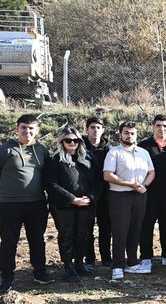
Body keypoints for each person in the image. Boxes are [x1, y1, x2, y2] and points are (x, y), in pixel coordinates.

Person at [0, 114, 53, 292]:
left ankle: (40, 273)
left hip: (36, 203)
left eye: (31, 128)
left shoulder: (42, 150)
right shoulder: (5, 149)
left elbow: (49, 176)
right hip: (8, 204)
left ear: (37, 130)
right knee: (9, 241)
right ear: (17, 129)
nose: (27, 131)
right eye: (24, 127)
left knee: (37, 240)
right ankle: (6, 277)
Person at [45, 126, 103, 281]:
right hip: (64, 205)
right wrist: (72, 199)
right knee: (67, 235)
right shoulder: (55, 159)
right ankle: (68, 266)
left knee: (82, 234)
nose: (72, 143)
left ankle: (79, 263)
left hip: (86, 204)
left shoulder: (88, 158)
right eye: (68, 140)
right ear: (62, 141)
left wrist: (91, 197)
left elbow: (98, 182)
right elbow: (51, 184)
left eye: (76, 140)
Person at [103, 121, 155, 280]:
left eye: (132, 133)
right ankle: (118, 265)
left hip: (140, 194)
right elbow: (108, 175)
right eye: (126, 132)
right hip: (120, 196)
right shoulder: (114, 152)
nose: (129, 135)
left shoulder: (143, 152)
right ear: (120, 134)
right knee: (120, 230)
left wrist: (144, 185)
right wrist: (130, 184)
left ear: (136, 134)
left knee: (135, 228)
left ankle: (132, 262)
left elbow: (151, 172)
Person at [138, 115, 166, 269]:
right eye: (158, 125)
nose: (161, 129)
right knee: (147, 225)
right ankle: (146, 257)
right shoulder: (143, 146)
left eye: (165, 126)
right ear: (153, 127)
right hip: (149, 193)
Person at [84, 116, 111, 269]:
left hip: (105, 193)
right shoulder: (79, 147)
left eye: (98, 128)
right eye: (92, 127)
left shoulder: (109, 149)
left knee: (106, 227)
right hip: (86, 192)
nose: (95, 130)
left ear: (103, 130)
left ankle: (106, 258)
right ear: (86, 129)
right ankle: (89, 259)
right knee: (87, 228)